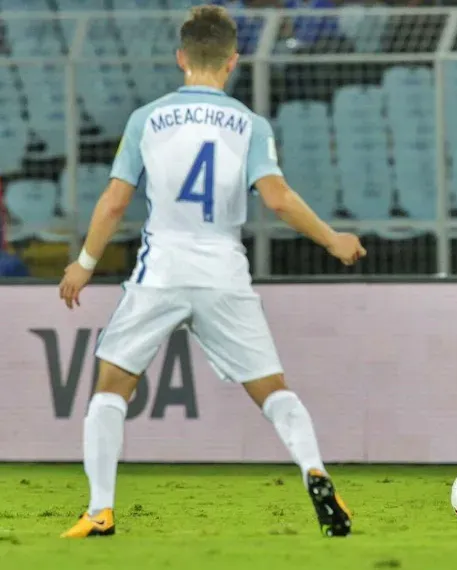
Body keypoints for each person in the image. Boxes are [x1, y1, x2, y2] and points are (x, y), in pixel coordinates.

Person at [59, 6, 365, 539]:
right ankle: (315, 471)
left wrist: (85, 264)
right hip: (224, 269)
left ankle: (100, 510)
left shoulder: (146, 119)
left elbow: (112, 203)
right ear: (233, 61)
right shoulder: (250, 124)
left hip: (162, 270)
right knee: (273, 391)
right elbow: (278, 199)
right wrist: (333, 239)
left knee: (111, 386)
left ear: (181, 58)